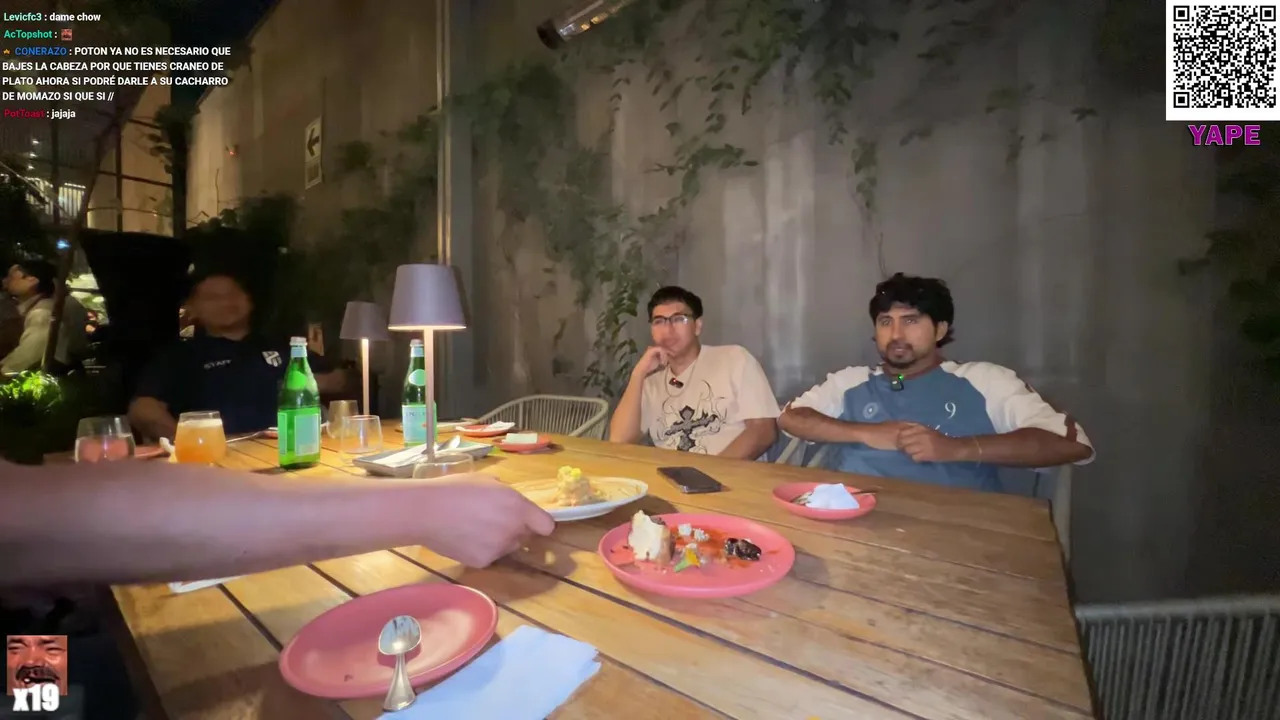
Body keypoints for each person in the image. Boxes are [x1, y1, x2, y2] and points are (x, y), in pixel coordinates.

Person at [0, 459, 556, 589]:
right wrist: (428, 508)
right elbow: (28, 519)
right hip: (38, 660)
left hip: (37, 639)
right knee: (55, 693)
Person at [778, 273, 1093, 492]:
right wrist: (866, 432)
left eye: (911, 321)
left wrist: (956, 448)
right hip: (851, 518)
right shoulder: (852, 381)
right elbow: (791, 417)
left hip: (957, 533)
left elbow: (1070, 443)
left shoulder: (984, 380)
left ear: (940, 330)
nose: (896, 334)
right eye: (886, 322)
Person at [128, 269, 347, 438]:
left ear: (249, 302)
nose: (225, 303)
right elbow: (143, 409)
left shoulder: (284, 345)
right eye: (212, 298)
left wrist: (309, 384)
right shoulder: (180, 356)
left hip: (291, 445)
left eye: (232, 294)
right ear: (192, 308)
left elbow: (340, 379)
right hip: (221, 457)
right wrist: (187, 442)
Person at [608, 286, 779, 460]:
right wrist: (638, 373)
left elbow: (763, 432)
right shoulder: (651, 385)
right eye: (659, 321)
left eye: (678, 319)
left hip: (729, 473)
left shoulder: (735, 359)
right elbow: (619, 440)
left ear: (697, 326)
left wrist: (711, 471)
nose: (668, 330)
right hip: (667, 474)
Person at [0, 259, 88, 375]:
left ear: (32, 280)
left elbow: (28, 355)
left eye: (11, 277)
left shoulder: (41, 313)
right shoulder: (40, 307)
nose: (5, 282)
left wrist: (4, 370)